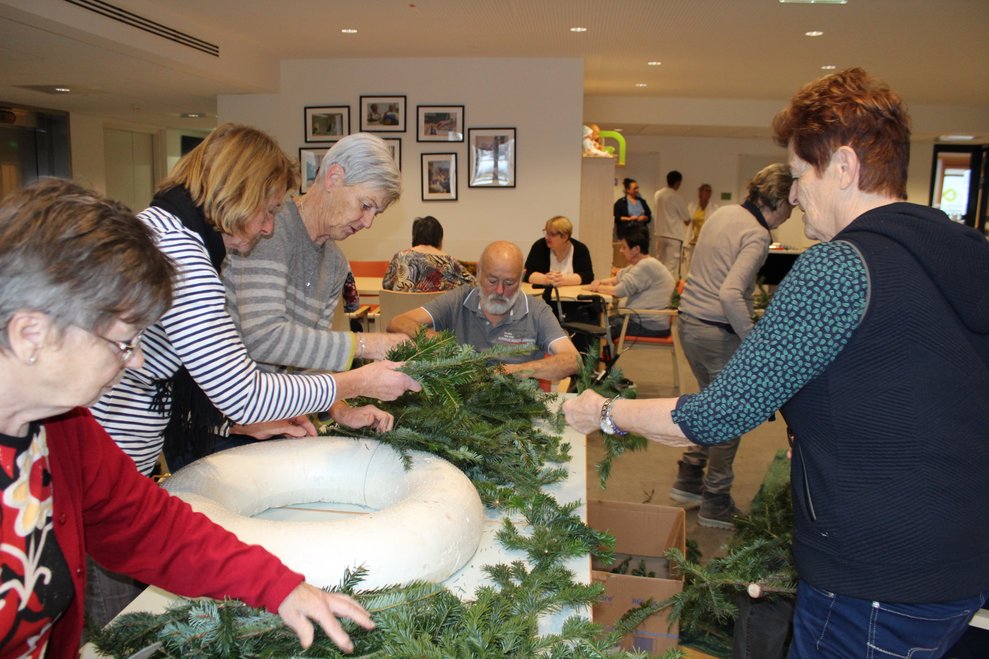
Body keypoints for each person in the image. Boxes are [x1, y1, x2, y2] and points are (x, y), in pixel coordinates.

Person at [564, 67, 989, 657]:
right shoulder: (965, 252)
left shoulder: (838, 268)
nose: (792, 195)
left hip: (872, 579)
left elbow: (716, 416)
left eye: (798, 175)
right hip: (959, 563)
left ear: (842, 168)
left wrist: (605, 411)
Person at [0, 178, 374, 657]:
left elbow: (150, 526)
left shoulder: (62, 429)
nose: (134, 362)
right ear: (32, 334)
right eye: (120, 342)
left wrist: (279, 587)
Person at [89, 124, 420, 624]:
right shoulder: (185, 257)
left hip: (121, 464)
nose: (268, 226)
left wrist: (235, 422)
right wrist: (356, 377)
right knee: (118, 622)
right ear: (238, 193)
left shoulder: (166, 231)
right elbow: (241, 385)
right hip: (101, 469)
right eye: (267, 209)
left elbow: (195, 379)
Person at [224, 133, 414, 434]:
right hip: (225, 425)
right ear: (334, 177)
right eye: (365, 205)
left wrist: (340, 409)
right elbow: (263, 337)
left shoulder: (336, 263)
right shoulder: (269, 230)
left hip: (280, 417)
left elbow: (308, 359)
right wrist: (366, 344)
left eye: (375, 213)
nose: (367, 222)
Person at [672, 164, 794, 529]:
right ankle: (715, 499)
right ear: (781, 201)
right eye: (794, 205)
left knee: (711, 404)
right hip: (715, 331)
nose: (794, 213)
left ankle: (689, 479)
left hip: (688, 324)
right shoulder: (757, 235)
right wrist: (754, 340)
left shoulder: (723, 213)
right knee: (730, 414)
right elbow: (729, 293)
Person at [388, 241, 580, 382]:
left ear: (521, 277)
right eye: (492, 281)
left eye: (509, 283)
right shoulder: (458, 300)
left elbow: (573, 360)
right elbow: (398, 323)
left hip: (517, 407)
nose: (499, 291)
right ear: (479, 273)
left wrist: (513, 371)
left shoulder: (537, 312)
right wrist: (442, 344)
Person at [585, 223, 675, 339]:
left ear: (636, 249)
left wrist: (595, 288)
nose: (621, 251)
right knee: (596, 321)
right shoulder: (640, 264)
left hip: (648, 324)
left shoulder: (647, 266)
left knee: (598, 328)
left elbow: (618, 291)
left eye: (624, 247)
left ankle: (593, 356)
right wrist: (599, 282)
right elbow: (616, 279)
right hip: (638, 319)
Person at [381, 215, 476, 292]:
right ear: (439, 239)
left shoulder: (400, 256)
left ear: (414, 236)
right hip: (435, 315)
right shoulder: (449, 261)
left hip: (402, 313)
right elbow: (474, 286)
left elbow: (386, 285)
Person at [523, 215, 594, 288]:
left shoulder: (580, 249)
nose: (547, 237)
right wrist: (545, 279)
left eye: (552, 234)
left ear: (565, 237)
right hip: (545, 297)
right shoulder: (539, 246)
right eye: (547, 233)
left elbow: (588, 277)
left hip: (572, 297)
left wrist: (563, 280)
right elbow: (526, 274)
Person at [653, 170, 691, 278]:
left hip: (660, 233)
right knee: (671, 267)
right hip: (674, 236)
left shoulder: (657, 194)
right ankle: (667, 291)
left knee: (659, 263)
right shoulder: (677, 197)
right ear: (678, 183)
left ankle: (656, 286)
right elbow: (687, 219)